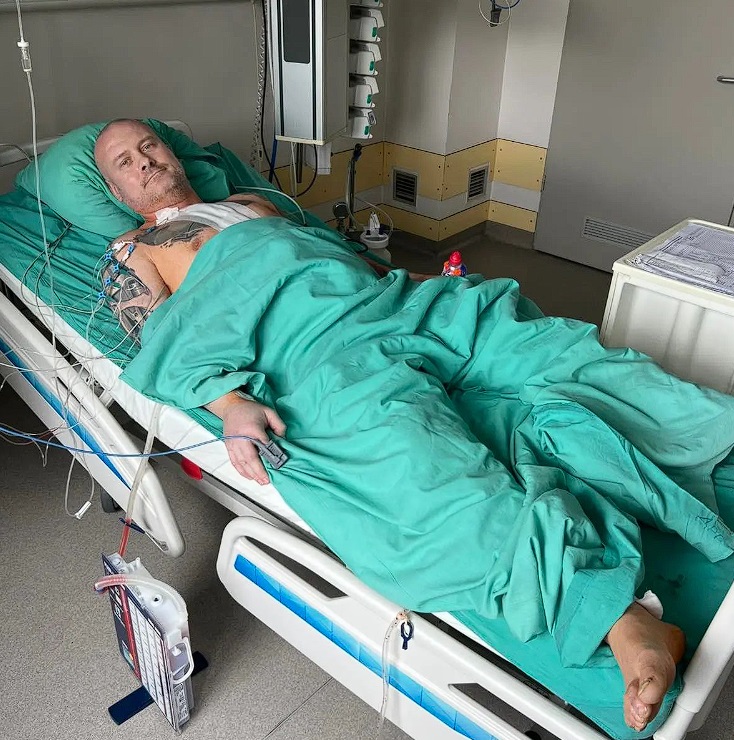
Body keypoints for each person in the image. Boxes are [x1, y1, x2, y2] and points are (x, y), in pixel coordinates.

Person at [96, 118, 697, 733]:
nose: (143, 161)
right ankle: (616, 616)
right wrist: (230, 406)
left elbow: (340, 257)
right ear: (117, 192)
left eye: (149, 146)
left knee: (548, 353)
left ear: (173, 154)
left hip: (387, 305)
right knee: (416, 457)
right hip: (309, 351)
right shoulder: (134, 251)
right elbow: (159, 342)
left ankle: (704, 442)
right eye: (124, 161)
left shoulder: (252, 203)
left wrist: (420, 284)